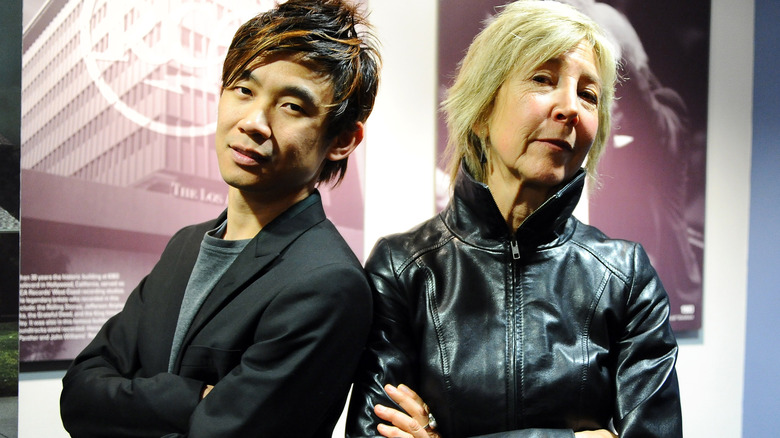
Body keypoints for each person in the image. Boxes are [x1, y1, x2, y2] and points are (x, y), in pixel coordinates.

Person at [346, 1, 681, 437]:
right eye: (543, 79)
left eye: (588, 94)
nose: (569, 108)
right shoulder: (403, 268)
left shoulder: (624, 277)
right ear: (483, 108)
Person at [60, 1, 380, 437]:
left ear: (343, 139)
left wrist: (135, 403)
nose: (253, 122)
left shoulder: (326, 282)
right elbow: (78, 394)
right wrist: (192, 398)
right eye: (244, 90)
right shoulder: (186, 245)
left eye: (290, 106)